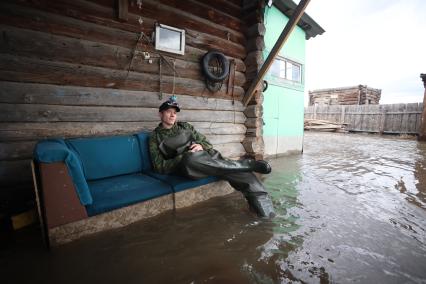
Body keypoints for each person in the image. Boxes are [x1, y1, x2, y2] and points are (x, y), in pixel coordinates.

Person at [149, 96, 275, 218]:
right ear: (160, 114)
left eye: (175, 113)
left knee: (245, 175)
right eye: (168, 112)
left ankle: (266, 214)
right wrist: (183, 156)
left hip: (209, 159)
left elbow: (207, 144)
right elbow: (159, 166)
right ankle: (245, 164)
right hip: (190, 166)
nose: (172, 115)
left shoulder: (185, 126)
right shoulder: (155, 137)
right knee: (190, 159)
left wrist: (200, 146)